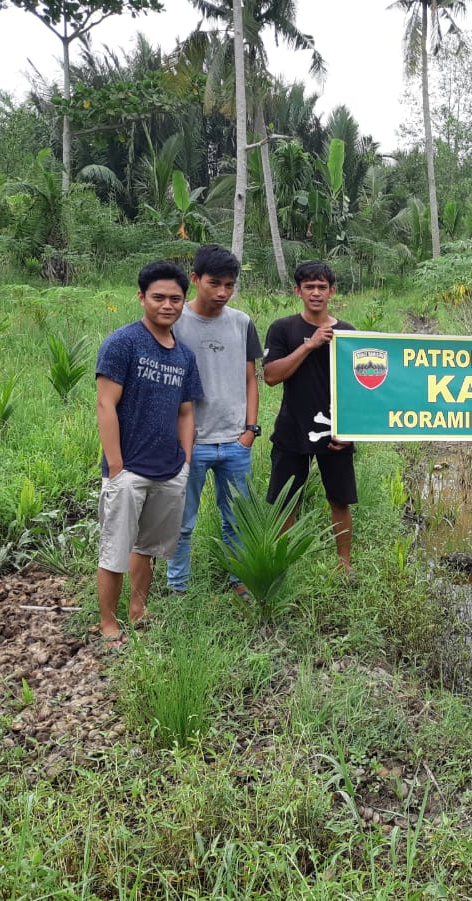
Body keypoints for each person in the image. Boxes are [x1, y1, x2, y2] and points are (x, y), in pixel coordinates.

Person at [94, 261, 204, 649]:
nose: (167, 305)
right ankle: (109, 623)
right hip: (129, 469)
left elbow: (186, 411)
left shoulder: (184, 357)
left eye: (175, 298)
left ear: (184, 301)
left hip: (169, 468)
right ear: (141, 297)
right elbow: (106, 405)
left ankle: (138, 610)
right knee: (115, 550)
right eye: (158, 297)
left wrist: (185, 461)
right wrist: (117, 465)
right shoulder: (123, 343)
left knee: (149, 547)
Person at [166, 245, 263, 597]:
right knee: (182, 520)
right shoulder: (176, 321)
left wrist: (250, 430)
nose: (222, 292)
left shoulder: (241, 323)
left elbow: (251, 377)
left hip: (235, 442)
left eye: (229, 285)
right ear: (195, 280)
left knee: (237, 519)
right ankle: (178, 588)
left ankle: (238, 580)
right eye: (214, 283)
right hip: (190, 444)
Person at [263, 261, 358, 571]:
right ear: (298, 291)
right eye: (309, 287)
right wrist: (310, 345)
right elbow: (272, 376)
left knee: (339, 500)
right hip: (292, 427)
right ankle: (283, 563)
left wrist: (350, 432)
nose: (316, 293)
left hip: (336, 431)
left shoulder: (348, 333)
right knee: (284, 500)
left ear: (332, 291)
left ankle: (343, 564)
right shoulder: (282, 329)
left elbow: (360, 389)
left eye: (322, 287)